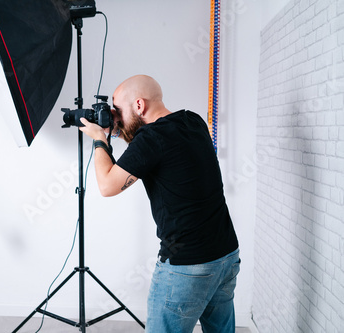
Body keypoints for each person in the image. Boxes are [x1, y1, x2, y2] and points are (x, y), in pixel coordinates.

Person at [79, 75, 240, 333]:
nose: (115, 116)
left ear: (139, 106)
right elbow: (149, 152)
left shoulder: (151, 140)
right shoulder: (192, 120)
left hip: (187, 267)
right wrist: (119, 130)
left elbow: (107, 186)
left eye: (118, 110)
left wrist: (99, 138)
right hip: (226, 255)